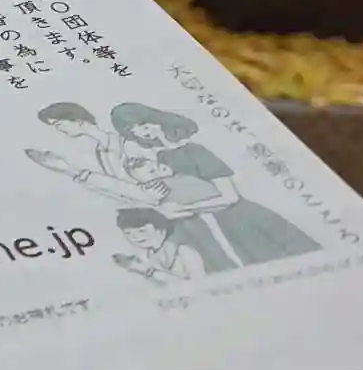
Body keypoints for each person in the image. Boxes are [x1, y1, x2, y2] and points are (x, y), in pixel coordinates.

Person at [111, 102, 322, 267]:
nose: (143, 132)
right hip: (214, 227)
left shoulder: (196, 151)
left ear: (158, 119)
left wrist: (184, 209)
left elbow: (230, 197)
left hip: (242, 218)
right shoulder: (161, 158)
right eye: (134, 130)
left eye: (145, 124)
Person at [113, 208, 207, 286]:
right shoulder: (146, 257)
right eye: (128, 233)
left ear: (161, 229)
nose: (135, 237)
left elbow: (200, 285)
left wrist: (152, 273)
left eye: (142, 231)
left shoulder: (184, 252)